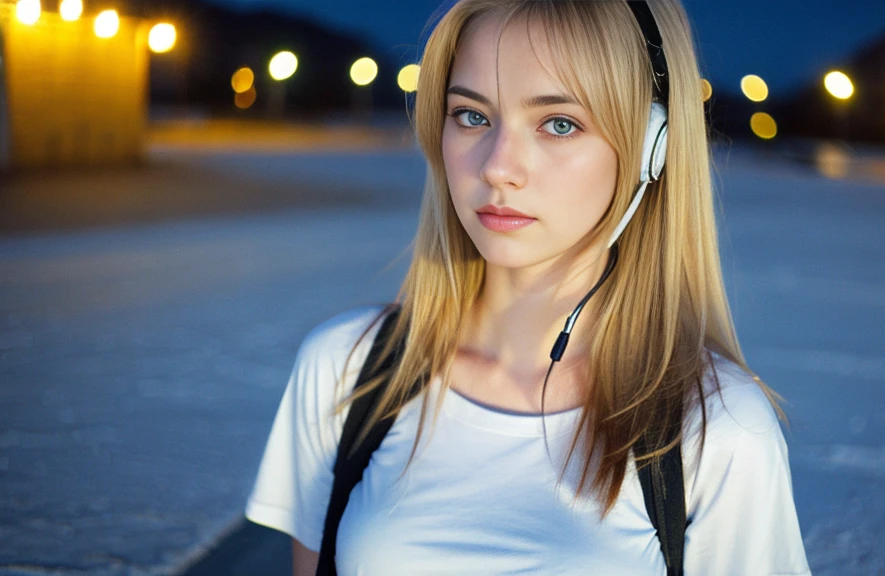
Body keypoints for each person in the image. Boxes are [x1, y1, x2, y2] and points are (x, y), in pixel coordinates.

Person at [245, 0, 811, 574]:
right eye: (471, 116)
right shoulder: (346, 370)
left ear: (652, 149)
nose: (498, 166)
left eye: (559, 124)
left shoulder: (717, 428)